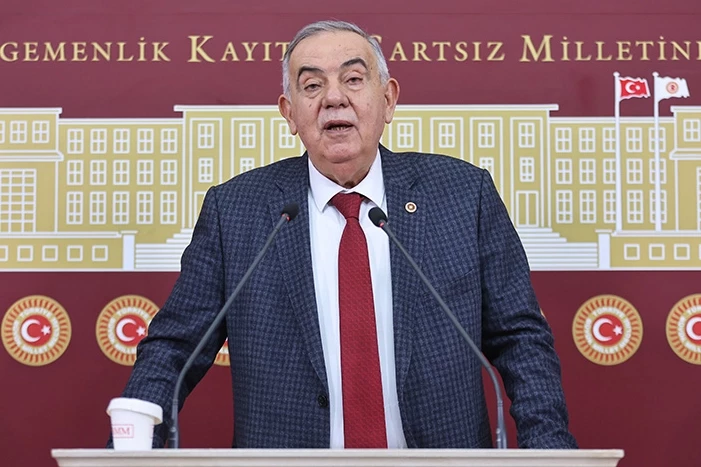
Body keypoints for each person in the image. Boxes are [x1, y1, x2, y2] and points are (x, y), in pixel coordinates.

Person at [115, 19, 578, 449]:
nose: (334, 98)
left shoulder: (461, 195)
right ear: (289, 113)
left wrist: (549, 450)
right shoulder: (237, 211)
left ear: (388, 99)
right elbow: (175, 349)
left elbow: (520, 338)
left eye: (353, 79)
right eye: (312, 85)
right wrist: (132, 450)